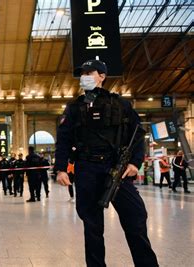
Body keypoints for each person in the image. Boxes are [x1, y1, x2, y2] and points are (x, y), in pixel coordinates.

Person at [54, 59, 158, 266]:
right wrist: (60, 169)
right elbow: (63, 139)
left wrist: (135, 163)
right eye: (82, 73)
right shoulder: (74, 108)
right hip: (86, 169)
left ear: (102, 76)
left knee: (136, 218)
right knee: (92, 227)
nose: (84, 77)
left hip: (115, 168)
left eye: (89, 72)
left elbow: (137, 135)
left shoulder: (120, 104)